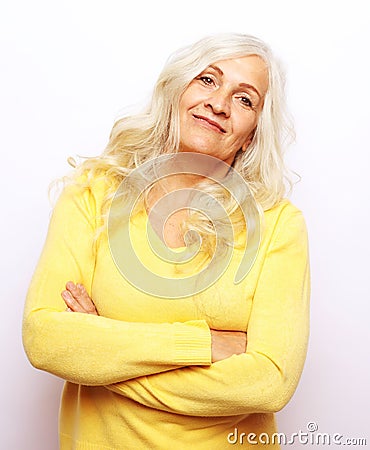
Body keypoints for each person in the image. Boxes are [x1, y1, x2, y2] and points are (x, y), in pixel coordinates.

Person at [23, 33, 310, 449]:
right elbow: (44, 338)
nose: (219, 103)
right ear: (177, 90)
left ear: (251, 135)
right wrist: (203, 344)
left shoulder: (278, 224)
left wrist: (103, 350)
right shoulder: (94, 193)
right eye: (208, 80)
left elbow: (269, 383)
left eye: (245, 99)